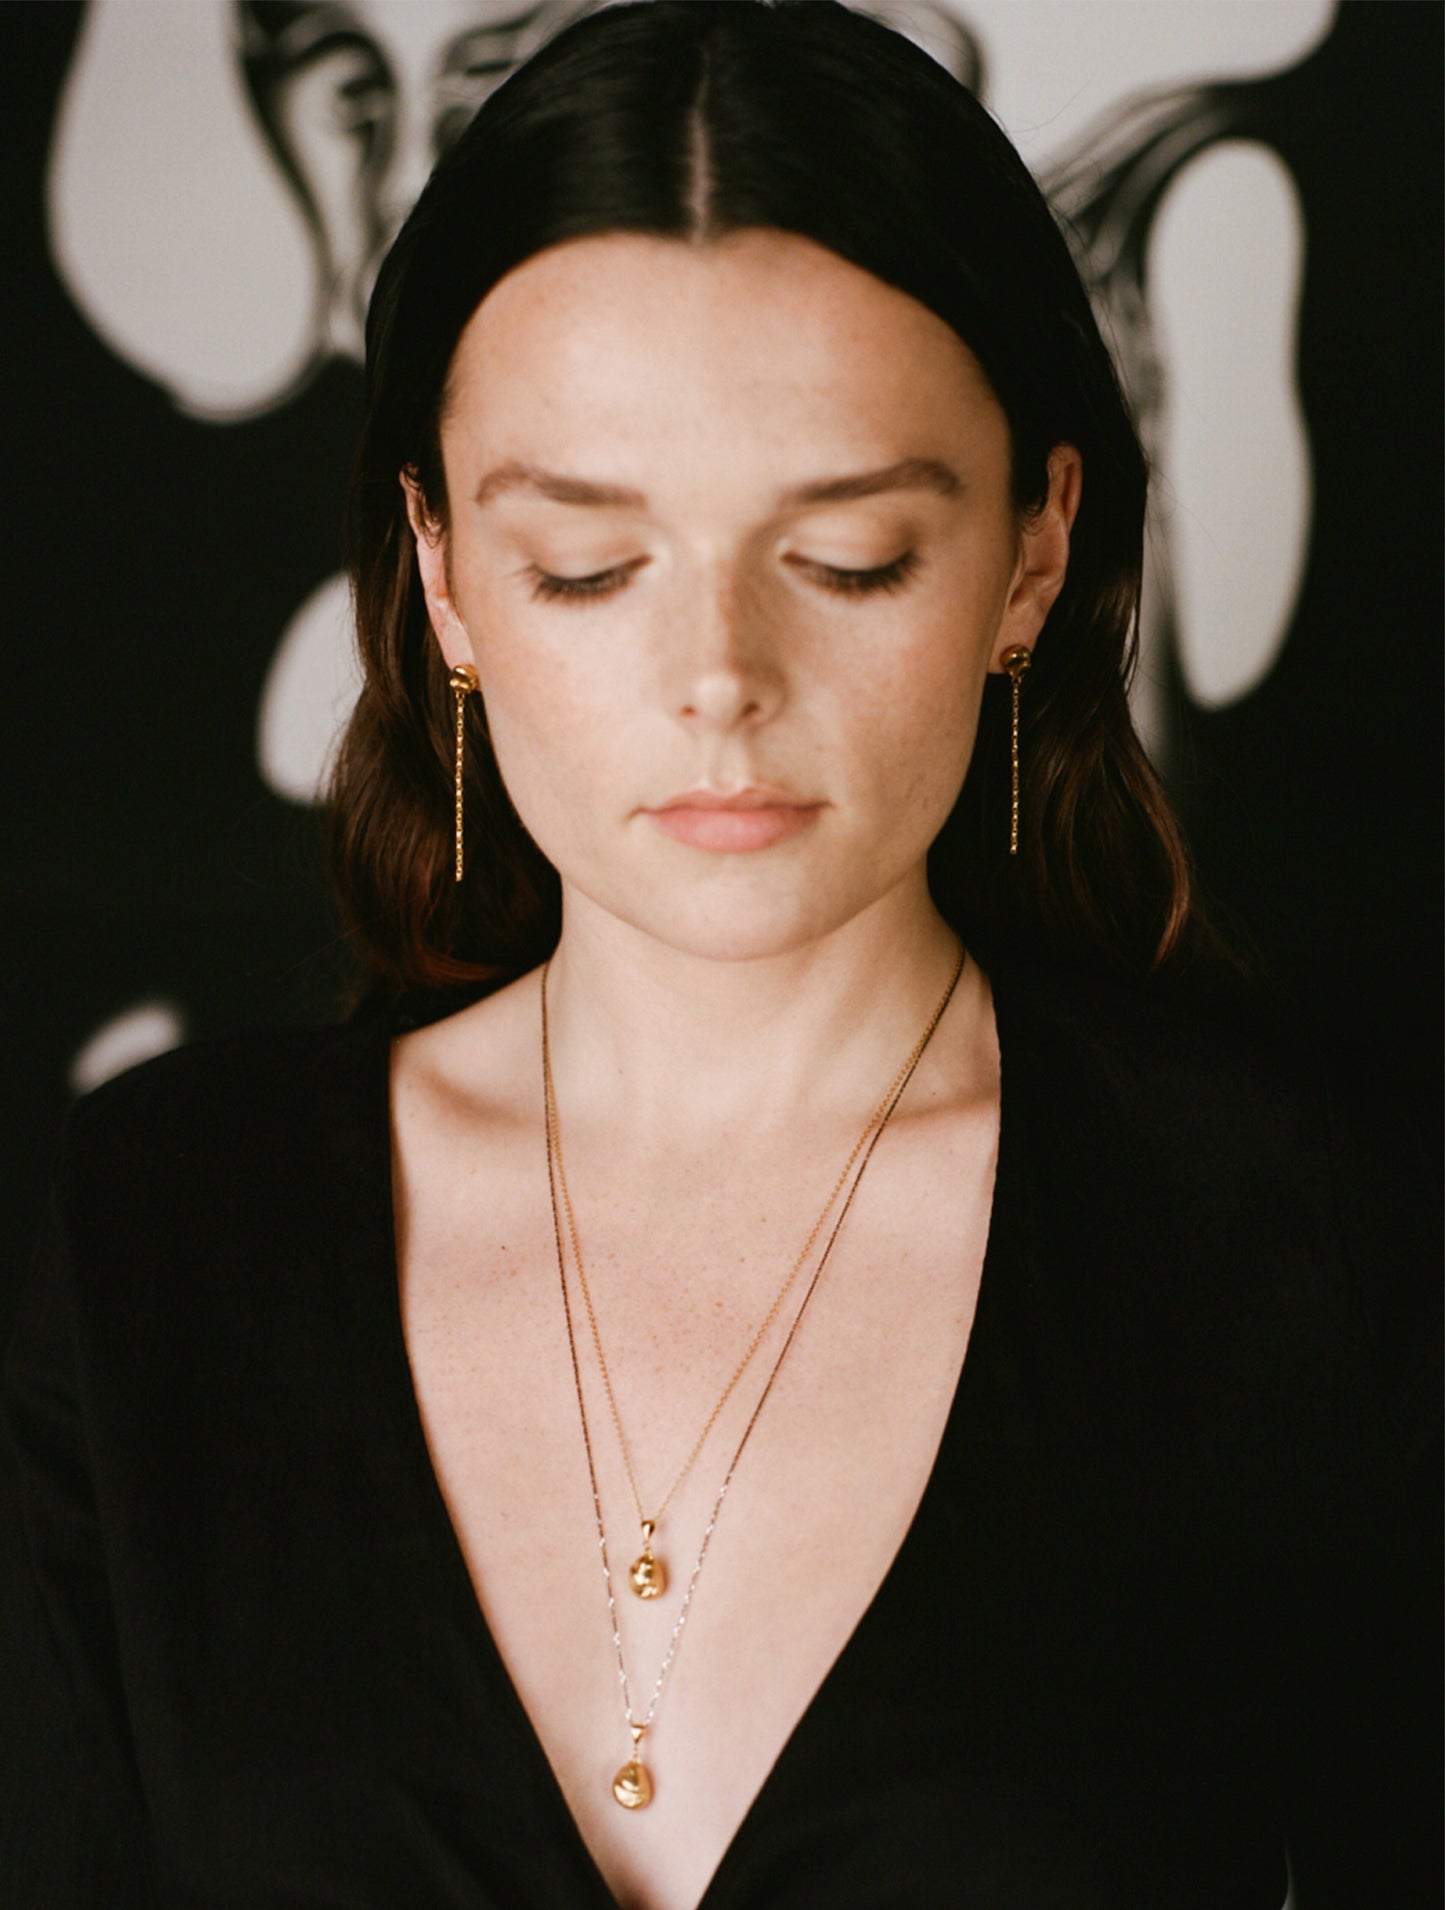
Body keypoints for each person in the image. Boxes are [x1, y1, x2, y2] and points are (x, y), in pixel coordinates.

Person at [5, 4, 1435, 1905]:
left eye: (849, 559)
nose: (717, 684)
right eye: (586, 567)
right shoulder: (154, 1228)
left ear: (1031, 554)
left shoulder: (1309, 1228)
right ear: (443, 573)